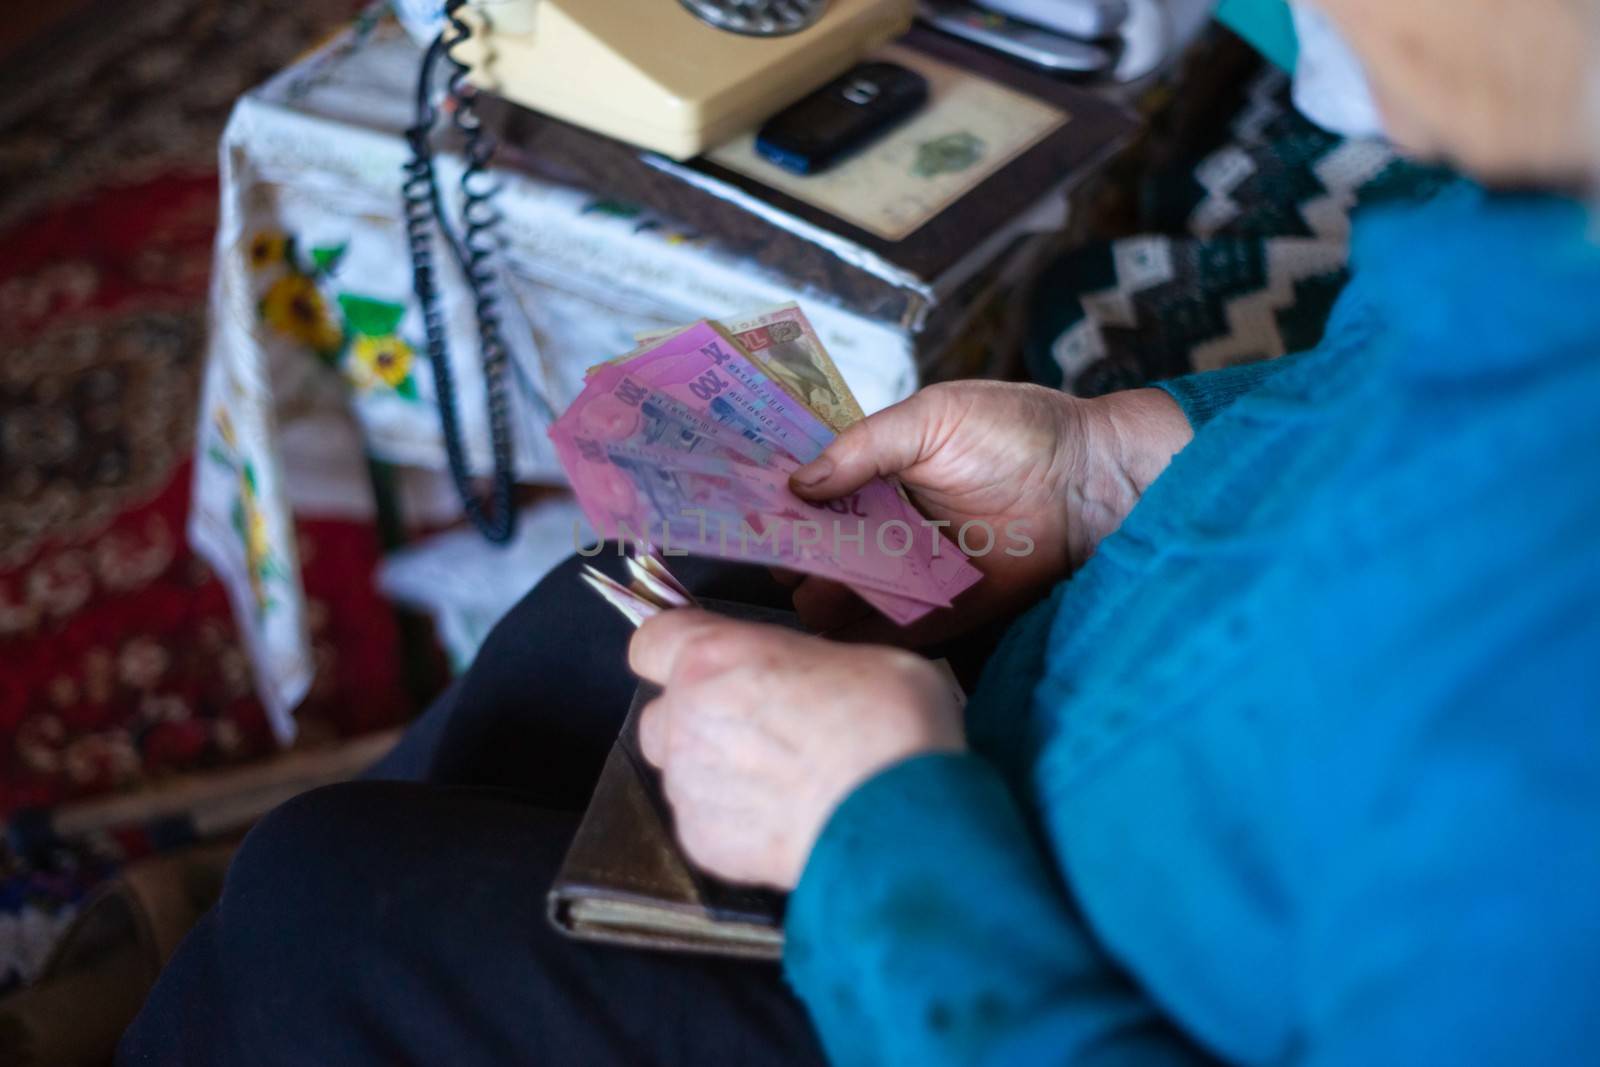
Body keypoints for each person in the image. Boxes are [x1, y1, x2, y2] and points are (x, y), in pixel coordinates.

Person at [121, 0, 1600, 1063]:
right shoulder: (1546, 215)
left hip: (981, 966)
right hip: (1107, 731)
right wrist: (1119, 462)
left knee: (335, 914)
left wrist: (871, 841)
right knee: (606, 613)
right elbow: (1394, 395)